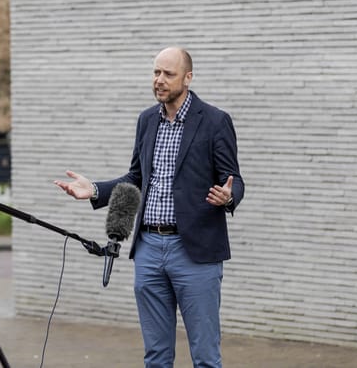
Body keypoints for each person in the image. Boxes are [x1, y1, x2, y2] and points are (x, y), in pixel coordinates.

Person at [55, 46, 244, 368]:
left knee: (206, 357)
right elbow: (137, 177)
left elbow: (233, 179)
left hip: (195, 252)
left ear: (188, 77)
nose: (159, 80)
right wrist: (96, 190)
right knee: (156, 356)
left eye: (168, 74)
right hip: (148, 249)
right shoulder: (146, 121)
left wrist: (229, 197)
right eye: (156, 72)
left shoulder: (214, 121)